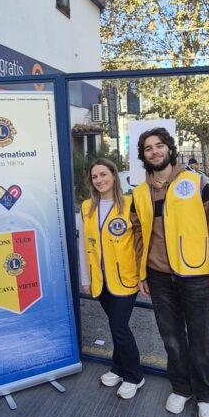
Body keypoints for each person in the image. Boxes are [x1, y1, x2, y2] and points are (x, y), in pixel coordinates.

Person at [131, 128, 209, 417]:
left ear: (170, 149)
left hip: (196, 274)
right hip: (158, 277)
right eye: (148, 148)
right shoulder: (139, 193)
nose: (155, 151)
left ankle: (206, 395)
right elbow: (138, 236)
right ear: (143, 155)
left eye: (159, 145)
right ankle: (181, 388)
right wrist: (141, 273)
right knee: (171, 337)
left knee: (202, 337)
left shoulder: (195, 183)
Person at [79, 158, 144, 399]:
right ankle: (118, 367)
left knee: (119, 327)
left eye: (103, 174)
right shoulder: (87, 207)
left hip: (125, 279)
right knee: (117, 326)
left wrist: (143, 275)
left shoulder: (130, 205)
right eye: (95, 176)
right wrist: (85, 278)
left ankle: (134, 376)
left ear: (114, 176)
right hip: (100, 280)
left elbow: (141, 243)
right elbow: (83, 245)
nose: (100, 180)